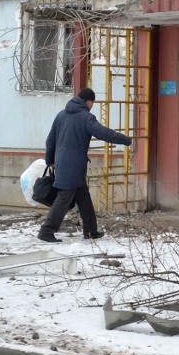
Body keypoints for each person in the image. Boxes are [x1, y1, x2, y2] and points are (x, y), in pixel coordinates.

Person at [38, 87, 132, 242]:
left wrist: (50, 160)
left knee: (83, 197)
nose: (92, 105)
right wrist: (125, 139)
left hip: (64, 162)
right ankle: (46, 230)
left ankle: (90, 230)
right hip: (74, 165)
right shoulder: (86, 117)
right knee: (64, 198)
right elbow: (103, 133)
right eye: (92, 103)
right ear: (88, 102)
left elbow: (50, 140)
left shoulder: (61, 115)